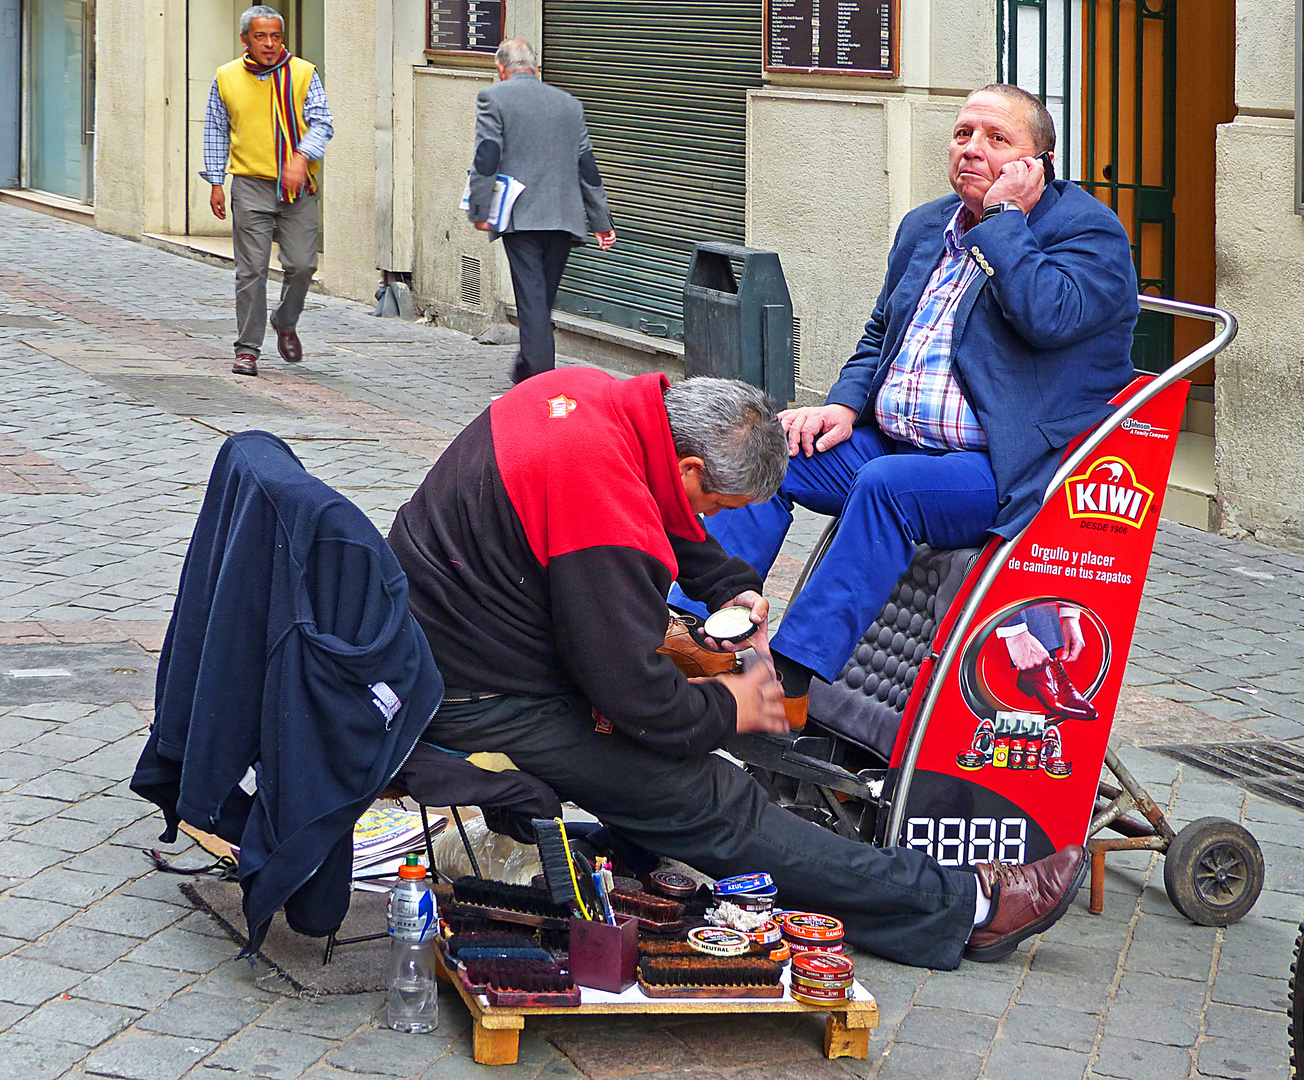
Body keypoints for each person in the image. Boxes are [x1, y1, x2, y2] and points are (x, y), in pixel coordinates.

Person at [388, 370, 1086, 970]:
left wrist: (723, 578)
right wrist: (735, 708)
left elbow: (662, 514)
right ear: (688, 467)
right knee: (714, 798)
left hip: (456, 649)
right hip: (474, 693)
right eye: (716, 506)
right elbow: (636, 698)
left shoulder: (590, 399)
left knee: (673, 775)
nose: (707, 517)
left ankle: (634, 858)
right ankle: (967, 906)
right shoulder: (600, 502)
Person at [672, 84, 1140, 729]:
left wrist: (1007, 224)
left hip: (1000, 468)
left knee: (886, 485)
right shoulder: (927, 225)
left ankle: (794, 677)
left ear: (1039, 164)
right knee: (764, 455)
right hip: (894, 439)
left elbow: (1049, 318)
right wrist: (843, 405)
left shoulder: (1089, 231)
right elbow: (878, 332)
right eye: (963, 134)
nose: (973, 149)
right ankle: (696, 630)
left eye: (997, 140)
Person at [467, 39, 616, 385]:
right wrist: (601, 221)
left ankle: (540, 383)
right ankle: (526, 367)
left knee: (533, 300)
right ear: (535, 68)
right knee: (540, 298)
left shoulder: (494, 97)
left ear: (501, 70)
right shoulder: (569, 104)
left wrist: (479, 208)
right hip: (564, 218)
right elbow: (587, 165)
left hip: (521, 217)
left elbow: (487, 155)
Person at [202, 5, 333, 378]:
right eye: (261, 36)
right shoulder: (226, 78)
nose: (270, 43)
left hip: (298, 188)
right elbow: (215, 129)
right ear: (245, 39)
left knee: (302, 265)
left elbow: (323, 122)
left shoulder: (304, 73)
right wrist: (215, 181)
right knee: (251, 270)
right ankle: (247, 349)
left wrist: (300, 156)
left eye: (276, 36)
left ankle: (285, 319)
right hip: (250, 185)